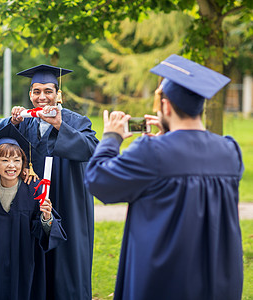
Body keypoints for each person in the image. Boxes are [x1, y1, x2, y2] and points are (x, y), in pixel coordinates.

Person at [84, 54, 243, 300]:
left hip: (166, 279)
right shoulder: (230, 151)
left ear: (166, 106)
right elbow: (189, 159)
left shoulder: (151, 153)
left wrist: (111, 138)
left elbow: (97, 180)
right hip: (216, 280)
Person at [0, 64, 99, 299]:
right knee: (35, 255)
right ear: (30, 94)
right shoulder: (26, 121)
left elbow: (93, 149)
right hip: (32, 202)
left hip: (68, 200)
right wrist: (13, 121)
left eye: (48, 91)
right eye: (36, 91)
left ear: (59, 94)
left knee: (66, 261)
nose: (42, 97)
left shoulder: (77, 121)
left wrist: (60, 125)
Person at [0, 123, 67, 300]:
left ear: (24, 163)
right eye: (4, 160)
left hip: (24, 262)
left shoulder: (35, 189)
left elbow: (47, 233)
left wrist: (46, 216)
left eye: (17, 160)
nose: (11, 166)